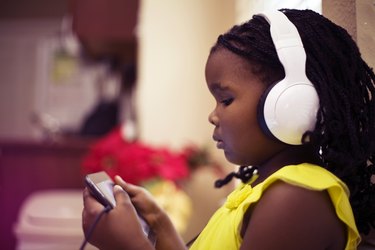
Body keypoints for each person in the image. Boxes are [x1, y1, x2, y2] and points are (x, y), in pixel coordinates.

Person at [82, 9, 375, 249]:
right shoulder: (261, 189)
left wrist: (130, 246)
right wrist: (161, 227)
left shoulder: (296, 199)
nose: (213, 115)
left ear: (290, 102)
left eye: (226, 99)